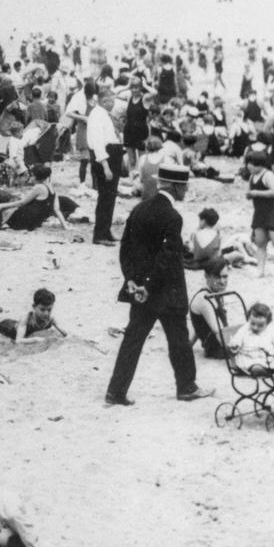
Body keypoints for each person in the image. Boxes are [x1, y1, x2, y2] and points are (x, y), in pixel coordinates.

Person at [105, 163, 212, 406]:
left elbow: (125, 250)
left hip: (141, 291)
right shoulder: (173, 217)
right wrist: (150, 285)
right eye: (184, 186)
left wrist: (132, 280)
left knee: (133, 339)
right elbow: (167, 257)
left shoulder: (139, 209)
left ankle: (116, 391)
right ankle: (186, 387)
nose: (185, 191)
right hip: (165, 291)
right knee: (179, 340)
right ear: (176, 186)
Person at [244, 145, 274, 277]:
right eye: (248, 163)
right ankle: (260, 270)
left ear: (260, 164)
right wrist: (249, 194)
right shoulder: (252, 176)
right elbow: (250, 193)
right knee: (260, 242)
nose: (249, 166)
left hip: (272, 212)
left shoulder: (268, 175)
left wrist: (256, 193)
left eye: (252, 164)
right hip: (259, 212)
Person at [87, 91, 123, 245]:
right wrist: (105, 166)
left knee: (111, 196)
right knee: (105, 197)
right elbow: (98, 143)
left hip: (113, 155)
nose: (113, 104)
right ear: (103, 101)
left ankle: (106, 230)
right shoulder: (97, 115)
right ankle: (99, 234)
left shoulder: (104, 114)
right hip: (105, 158)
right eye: (110, 101)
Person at [0, 288, 67, 341]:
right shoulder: (26, 318)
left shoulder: (51, 319)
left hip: (18, 327)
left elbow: (65, 333)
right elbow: (19, 340)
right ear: (34, 307)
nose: (46, 313)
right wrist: (35, 339)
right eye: (42, 309)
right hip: (9, 327)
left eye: (49, 310)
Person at [4, 164, 79, 231]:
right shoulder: (52, 189)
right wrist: (65, 226)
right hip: (36, 222)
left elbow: (22, 203)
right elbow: (57, 210)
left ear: (36, 177)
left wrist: (2, 206)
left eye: (32, 175)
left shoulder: (38, 187)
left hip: (25, 220)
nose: (30, 177)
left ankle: (1, 223)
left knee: (8, 210)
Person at [227, 302, 274, 375]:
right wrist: (235, 345)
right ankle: (269, 372)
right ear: (249, 319)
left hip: (270, 357)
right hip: (251, 358)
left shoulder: (271, 330)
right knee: (256, 368)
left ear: (268, 323)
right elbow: (237, 339)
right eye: (252, 323)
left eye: (260, 325)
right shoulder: (244, 329)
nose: (255, 327)